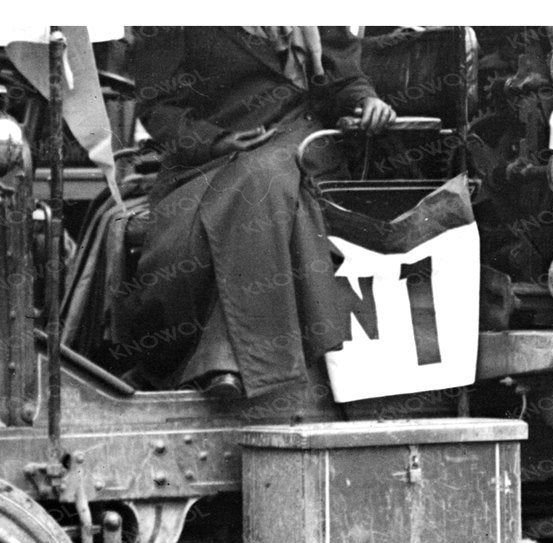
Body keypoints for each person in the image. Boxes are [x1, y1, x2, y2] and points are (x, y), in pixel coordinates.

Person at [121, 27, 395, 404]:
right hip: (210, 156)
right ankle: (213, 357)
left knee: (262, 179)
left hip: (304, 139)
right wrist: (215, 140)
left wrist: (366, 101)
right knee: (203, 229)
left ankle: (235, 361)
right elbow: (158, 108)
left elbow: (343, 77)